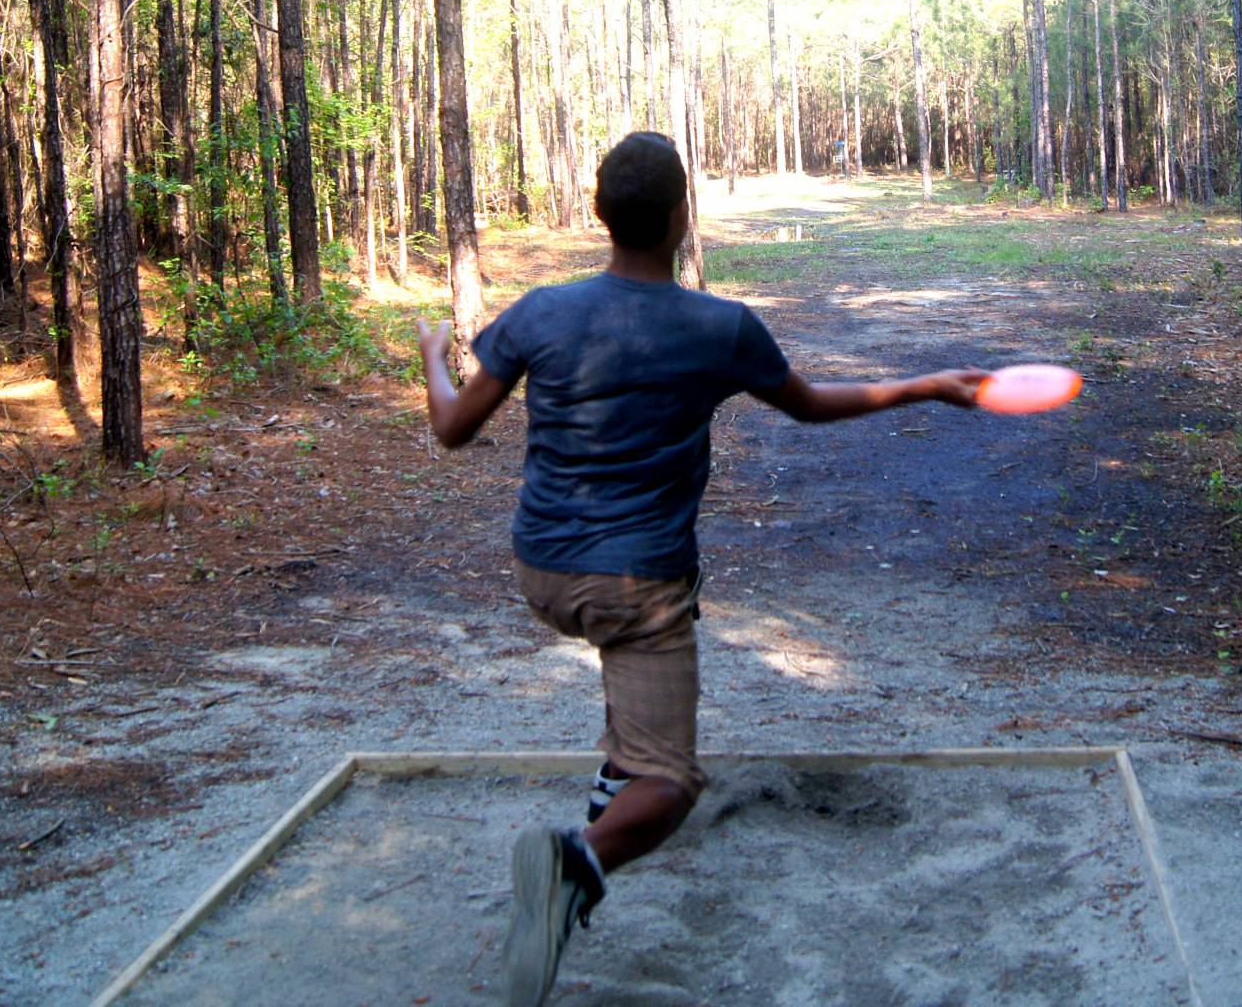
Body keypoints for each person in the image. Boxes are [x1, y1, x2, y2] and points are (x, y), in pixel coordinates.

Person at [417, 131, 986, 1007]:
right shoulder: (719, 327)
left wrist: (431, 356)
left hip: (542, 570)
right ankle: (579, 862)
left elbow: (453, 428)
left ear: (599, 212)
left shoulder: (539, 312)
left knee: (629, 682)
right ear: (684, 218)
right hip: (638, 586)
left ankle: (614, 779)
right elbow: (808, 407)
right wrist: (927, 385)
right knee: (671, 782)